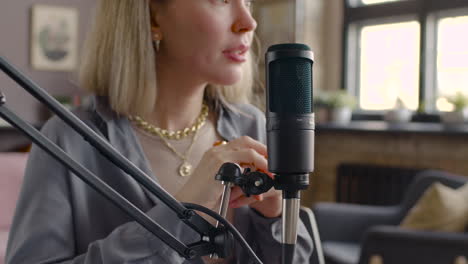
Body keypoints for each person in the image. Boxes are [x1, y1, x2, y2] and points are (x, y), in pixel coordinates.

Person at [5, 0, 313, 263]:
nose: (248, 22)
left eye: (247, 1)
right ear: (153, 16)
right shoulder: (67, 139)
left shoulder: (255, 127)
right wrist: (177, 217)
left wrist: (273, 218)